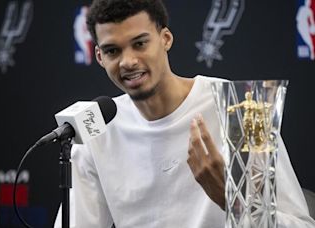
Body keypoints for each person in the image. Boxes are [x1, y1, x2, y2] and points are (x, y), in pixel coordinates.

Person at [55, 0, 315, 227]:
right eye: (113, 51)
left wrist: (232, 200)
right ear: (99, 57)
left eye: (140, 43)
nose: (128, 61)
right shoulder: (96, 127)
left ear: (165, 39)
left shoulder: (240, 109)